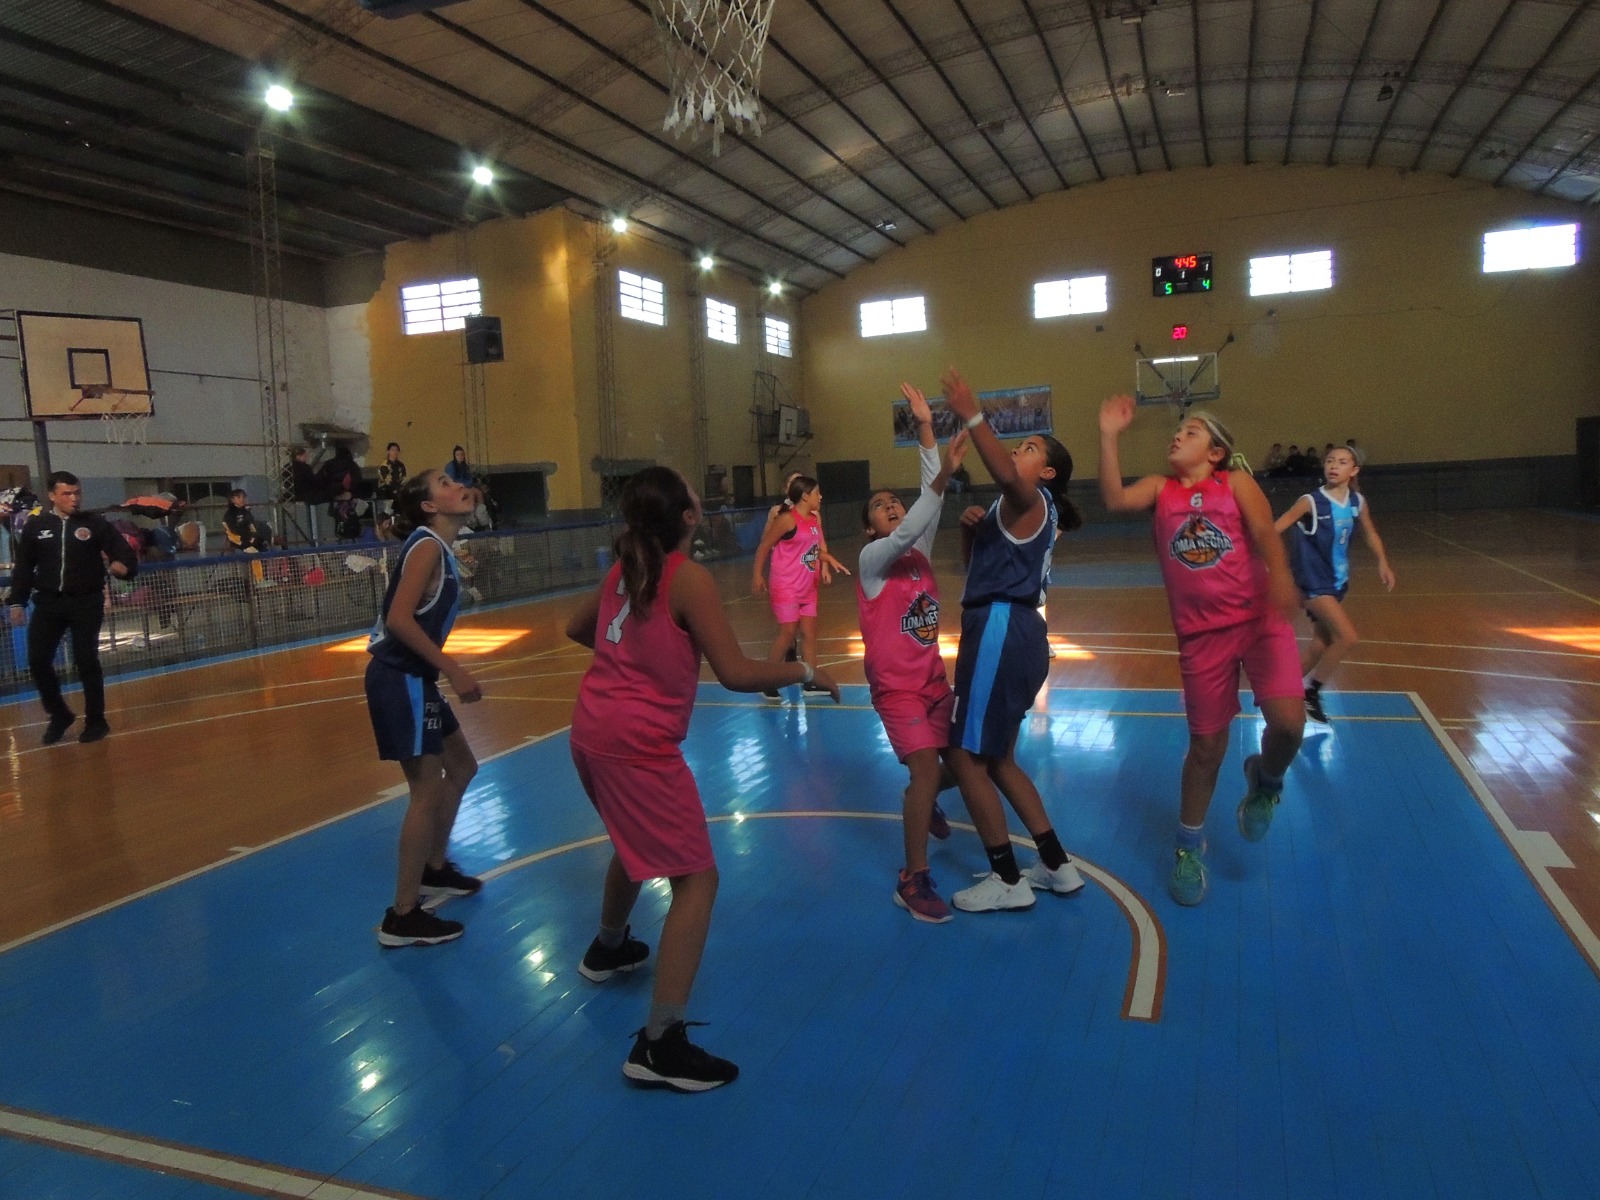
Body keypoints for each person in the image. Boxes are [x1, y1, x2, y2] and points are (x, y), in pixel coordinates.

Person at [565, 466, 840, 1092]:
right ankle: (661, 1043)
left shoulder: (625, 568)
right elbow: (736, 673)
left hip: (590, 732)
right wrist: (805, 672)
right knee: (696, 878)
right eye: (694, 493)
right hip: (638, 747)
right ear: (688, 516)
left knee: (631, 843)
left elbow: (579, 629)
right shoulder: (686, 577)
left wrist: (631, 662)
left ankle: (609, 947)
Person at [1097, 394, 1305, 906]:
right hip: (1200, 636)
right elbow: (1115, 500)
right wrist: (1108, 435)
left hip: (1258, 622)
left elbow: (1265, 532)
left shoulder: (1235, 483)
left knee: (1289, 724)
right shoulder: (1160, 489)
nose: (1177, 436)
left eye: (1191, 432)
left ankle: (1266, 780)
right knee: (1207, 750)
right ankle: (1188, 848)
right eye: (1178, 431)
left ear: (1216, 453)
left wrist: (1281, 577)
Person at [938, 367, 1085, 913]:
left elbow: (1002, 472)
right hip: (1014, 628)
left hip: (1001, 629)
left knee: (965, 756)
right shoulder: (1016, 510)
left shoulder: (1031, 498)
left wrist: (972, 411)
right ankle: (1057, 866)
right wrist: (968, 533)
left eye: (1028, 448)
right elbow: (976, 573)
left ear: (1046, 472)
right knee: (999, 759)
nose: (1018, 451)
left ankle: (1006, 878)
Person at [858, 382, 969, 923]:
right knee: (925, 770)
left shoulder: (918, 549)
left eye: (894, 500)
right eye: (880, 506)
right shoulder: (874, 561)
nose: (891, 506)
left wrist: (926, 427)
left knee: (967, 762)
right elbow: (916, 519)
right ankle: (913, 879)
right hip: (896, 689)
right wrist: (943, 475)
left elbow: (928, 501)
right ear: (870, 528)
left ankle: (923, 805)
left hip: (932, 683)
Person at [367, 469, 486, 948]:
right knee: (426, 789)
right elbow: (398, 619)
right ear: (429, 506)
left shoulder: (439, 547)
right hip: (401, 677)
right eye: (443, 482)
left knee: (463, 766)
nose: (457, 485)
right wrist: (453, 669)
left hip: (416, 678)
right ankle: (402, 915)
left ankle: (434, 867)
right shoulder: (426, 547)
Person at [7, 471, 138, 744]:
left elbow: (124, 554)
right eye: (66, 493)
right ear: (52, 496)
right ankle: (59, 714)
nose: (74, 498)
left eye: (77, 493)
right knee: (38, 660)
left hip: (86, 602)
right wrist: (17, 601)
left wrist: (123, 567)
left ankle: (96, 720)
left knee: (86, 660)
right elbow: (24, 567)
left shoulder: (95, 524)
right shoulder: (36, 526)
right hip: (49, 602)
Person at [1274, 445, 1396, 724]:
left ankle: (1281, 690)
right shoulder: (1311, 501)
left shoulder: (1356, 502)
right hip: (1313, 581)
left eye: (1342, 462)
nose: (1333, 466)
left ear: (1354, 470)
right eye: (1330, 461)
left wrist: (1382, 562)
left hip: (1337, 580)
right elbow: (1275, 528)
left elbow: (1370, 532)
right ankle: (1312, 693)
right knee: (1348, 637)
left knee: (1321, 644)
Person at [751, 475, 848, 699]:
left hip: (807, 587)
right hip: (786, 585)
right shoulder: (786, 519)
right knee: (787, 633)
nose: (820, 497)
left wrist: (828, 559)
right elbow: (764, 547)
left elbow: (812, 549)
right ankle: (766, 680)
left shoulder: (813, 521)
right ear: (805, 496)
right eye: (817, 493)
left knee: (809, 634)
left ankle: (811, 682)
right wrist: (757, 575)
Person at [375, 443, 408, 516]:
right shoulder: (384, 465)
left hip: (397, 489)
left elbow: (403, 478)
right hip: (385, 490)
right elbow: (387, 481)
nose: (395, 452)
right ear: (388, 452)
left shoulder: (401, 465)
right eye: (392, 450)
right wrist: (396, 489)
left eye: (396, 450)